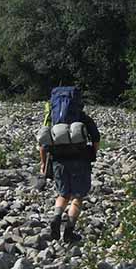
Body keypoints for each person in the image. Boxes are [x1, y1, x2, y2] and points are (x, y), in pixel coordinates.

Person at [37, 86, 100, 244]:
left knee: (63, 194)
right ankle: (69, 231)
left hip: (59, 160)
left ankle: (57, 217)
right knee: (77, 197)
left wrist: (44, 164)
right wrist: (92, 154)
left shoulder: (52, 118)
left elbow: (43, 146)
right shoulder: (83, 118)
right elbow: (96, 139)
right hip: (80, 160)